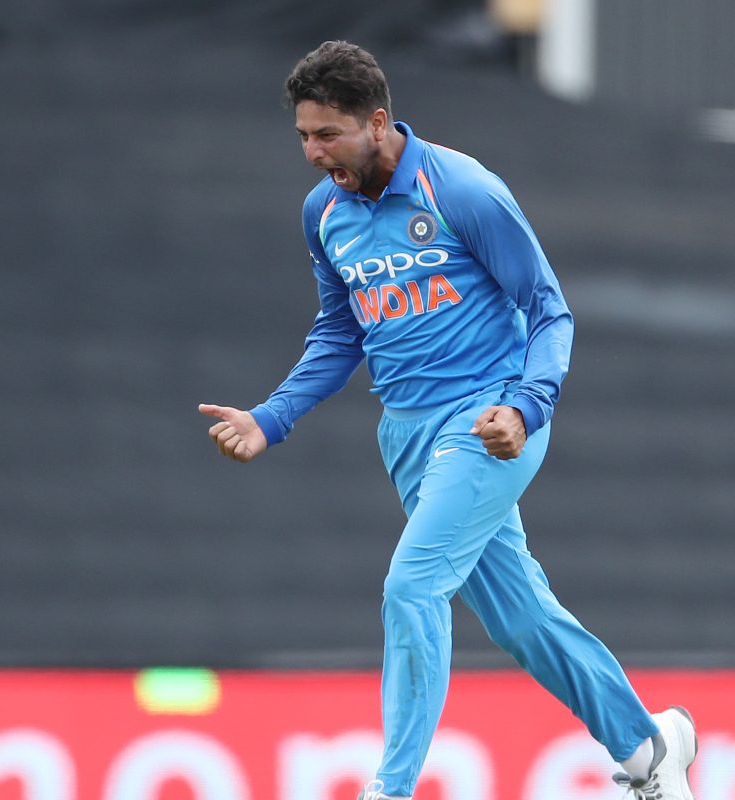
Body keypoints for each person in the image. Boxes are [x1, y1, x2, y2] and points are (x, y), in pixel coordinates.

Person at [198, 40, 698, 800]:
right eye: (302, 135)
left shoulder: (461, 190)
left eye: (328, 134)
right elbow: (341, 333)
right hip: (405, 432)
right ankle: (649, 747)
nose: (312, 151)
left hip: (489, 420)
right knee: (521, 620)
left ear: (377, 121)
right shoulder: (324, 213)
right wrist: (272, 417)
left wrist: (527, 409)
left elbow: (548, 310)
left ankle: (390, 789)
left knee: (412, 587)